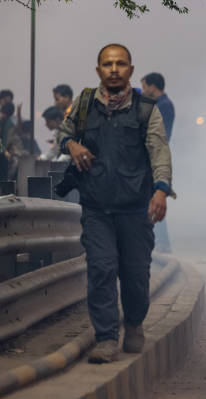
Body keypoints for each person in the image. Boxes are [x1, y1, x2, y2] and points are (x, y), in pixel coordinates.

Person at [56, 43, 174, 363]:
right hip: (96, 207)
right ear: (98, 70)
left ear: (131, 70)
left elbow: (159, 151)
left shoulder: (146, 109)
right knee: (101, 269)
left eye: (120, 64)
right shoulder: (84, 104)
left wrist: (161, 190)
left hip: (136, 208)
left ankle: (134, 322)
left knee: (135, 274)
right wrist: (72, 145)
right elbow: (62, 134)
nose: (113, 69)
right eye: (107, 64)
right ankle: (106, 338)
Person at [141, 72, 175, 253]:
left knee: (155, 198)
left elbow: (160, 134)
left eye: (146, 86)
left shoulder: (163, 105)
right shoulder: (160, 104)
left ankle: (162, 242)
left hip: (157, 158)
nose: (144, 90)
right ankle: (160, 241)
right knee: (152, 199)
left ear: (153, 87)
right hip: (153, 157)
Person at [0, 103, 24, 181]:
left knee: (8, 175)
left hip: (7, 152)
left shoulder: (9, 123)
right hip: (5, 152)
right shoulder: (7, 122)